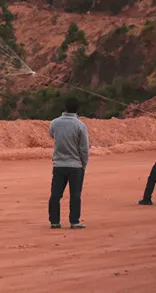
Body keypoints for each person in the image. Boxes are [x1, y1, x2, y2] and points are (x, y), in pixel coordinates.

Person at [48, 97, 90, 229]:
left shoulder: (55, 123)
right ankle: (74, 221)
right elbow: (84, 148)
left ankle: (54, 221)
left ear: (65, 107)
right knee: (75, 195)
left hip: (59, 164)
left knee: (55, 194)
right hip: (75, 165)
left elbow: (51, 135)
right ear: (77, 110)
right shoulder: (80, 125)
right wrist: (84, 164)